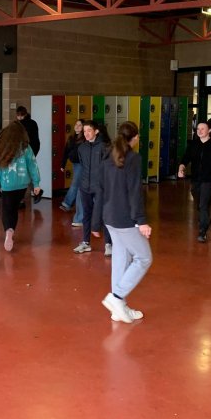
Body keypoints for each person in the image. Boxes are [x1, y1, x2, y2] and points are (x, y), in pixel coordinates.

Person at [91, 121, 152, 324]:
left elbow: (99, 191)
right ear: (134, 138)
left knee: (120, 258)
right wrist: (141, 221)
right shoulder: (133, 159)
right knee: (144, 258)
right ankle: (116, 298)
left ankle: (119, 309)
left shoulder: (107, 158)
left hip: (109, 218)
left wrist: (95, 222)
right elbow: (134, 192)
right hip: (125, 219)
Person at [178, 121, 211, 242]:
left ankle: (202, 231)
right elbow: (185, 159)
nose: (199, 131)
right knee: (199, 203)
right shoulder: (194, 144)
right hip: (196, 178)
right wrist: (181, 169)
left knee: (203, 204)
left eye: (202, 129)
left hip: (209, 179)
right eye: (198, 129)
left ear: (209, 130)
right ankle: (205, 219)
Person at [0, 122, 42, 252]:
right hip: (22, 185)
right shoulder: (26, 147)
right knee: (14, 208)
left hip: (7, 184)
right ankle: (11, 230)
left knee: (7, 210)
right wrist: (36, 183)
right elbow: (33, 165)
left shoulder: (1, 147)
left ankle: (9, 230)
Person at [74, 120, 112, 256]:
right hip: (85, 186)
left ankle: (108, 244)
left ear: (96, 131)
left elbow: (108, 168)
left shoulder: (104, 147)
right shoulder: (81, 148)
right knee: (86, 214)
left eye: (89, 131)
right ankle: (85, 242)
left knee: (104, 214)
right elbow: (83, 165)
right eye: (84, 131)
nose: (86, 134)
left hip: (100, 187)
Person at [59, 119, 84, 227]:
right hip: (75, 164)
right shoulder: (71, 138)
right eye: (76, 124)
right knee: (78, 185)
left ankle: (67, 203)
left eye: (80, 125)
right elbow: (66, 151)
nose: (77, 126)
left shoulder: (84, 140)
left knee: (75, 183)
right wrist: (62, 165)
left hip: (81, 165)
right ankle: (72, 204)